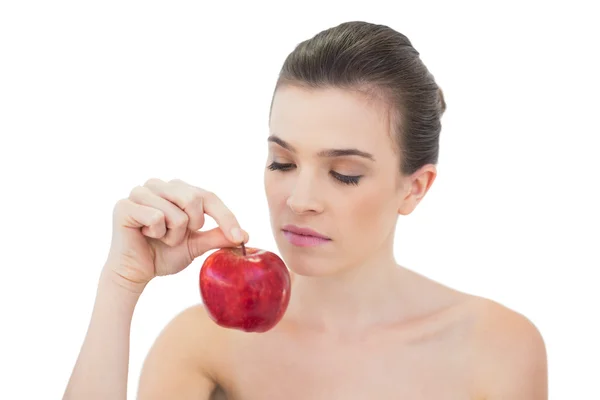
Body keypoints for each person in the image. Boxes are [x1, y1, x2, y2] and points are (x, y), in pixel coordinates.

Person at [63, 21, 548, 399]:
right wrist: (120, 286)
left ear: (414, 189)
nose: (299, 200)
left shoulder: (499, 347)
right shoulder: (205, 342)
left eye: (345, 174)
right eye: (283, 162)